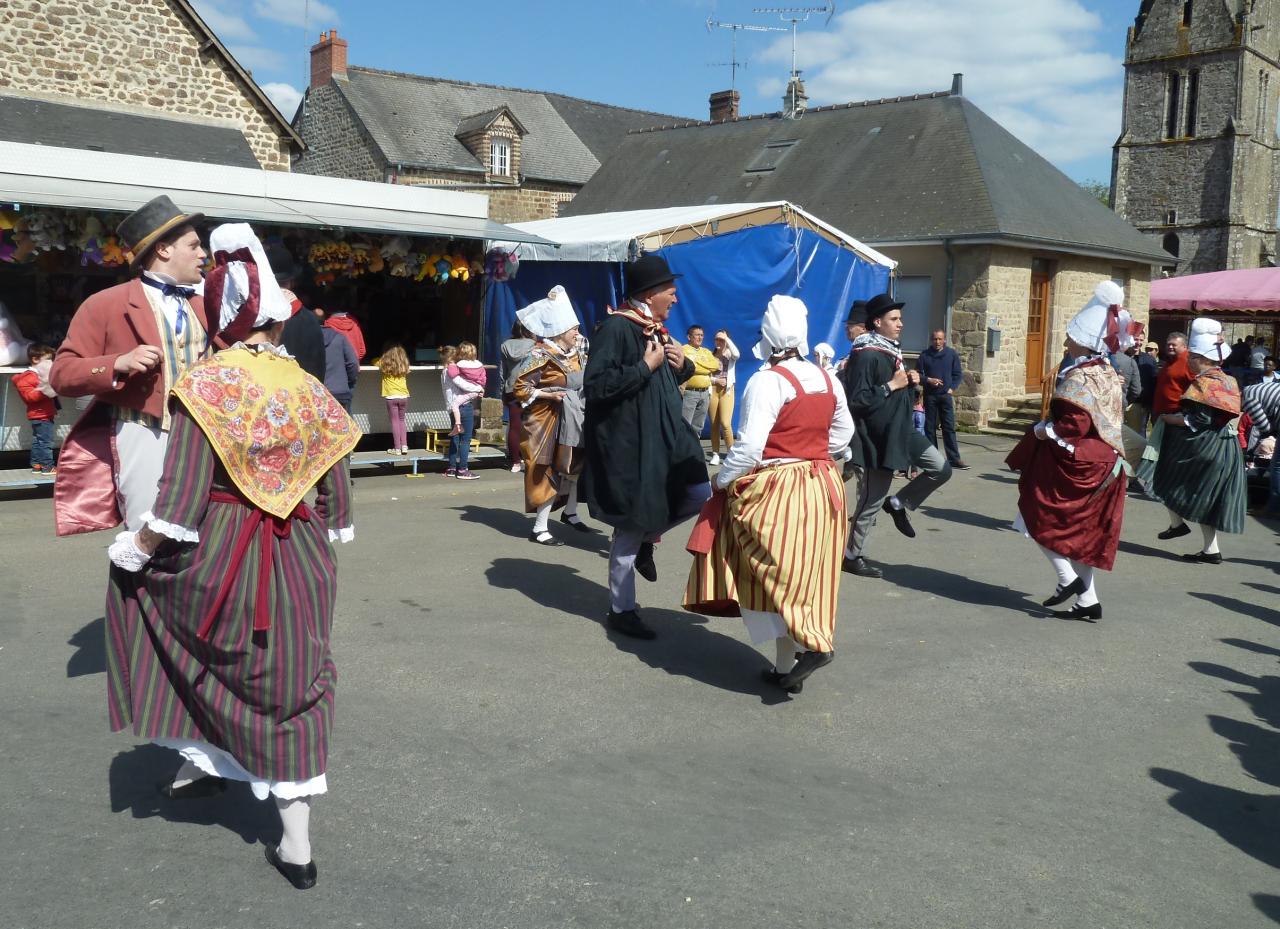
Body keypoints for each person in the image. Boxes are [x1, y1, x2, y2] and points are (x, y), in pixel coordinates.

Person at [102, 224, 358, 890]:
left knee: (191, 644)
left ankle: (205, 765)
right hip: (300, 554)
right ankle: (292, 843)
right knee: (291, 680)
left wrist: (135, 549)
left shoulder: (207, 385)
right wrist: (321, 535)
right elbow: (336, 496)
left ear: (221, 313)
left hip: (225, 552)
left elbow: (180, 502)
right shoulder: (309, 388)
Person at [684, 295, 854, 692]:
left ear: (767, 336)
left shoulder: (767, 380)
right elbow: (844, 435)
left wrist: (721, 480)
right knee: (807, 574)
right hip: (824, 486)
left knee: (769, 570)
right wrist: (812, 453)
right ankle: (784, 670)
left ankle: (812, 643)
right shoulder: (828, 378)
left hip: (780, 488)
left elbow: (748, 448)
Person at [51, 194, 212, 534]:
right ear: (164, 250)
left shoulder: (206, 305)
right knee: (148, 534)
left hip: (207, 438)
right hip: (144, 433)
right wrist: (117, 363)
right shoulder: (106, 304)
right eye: (194, 246)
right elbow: (62, 375)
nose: (204, 254)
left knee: (205, 533)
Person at [582, 253, 711, 640]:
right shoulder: (617, 329)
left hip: (667, 440)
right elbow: (596, 386)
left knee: (699, 493)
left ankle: (645, 541)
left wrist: (679, 365)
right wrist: (645, 367)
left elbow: (666, 380)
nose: (675, 300)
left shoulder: (656, 330)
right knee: (630, 524)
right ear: (651, 293)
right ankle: (622, 609)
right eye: (670, 293)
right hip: (631, 447)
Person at [1005, 286, 1131, 622]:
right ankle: (1087, 600)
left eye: (1070, 338)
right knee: (1083, 536)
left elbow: (1073, 425)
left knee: (1034, 516)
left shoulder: (1080, 375)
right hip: (1108, 463)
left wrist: (1044, 430)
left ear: (1083, 341)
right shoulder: (1108, 372)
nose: (1066, 343)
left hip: (1080, 463)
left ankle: (1068, 580)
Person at [841, 293, 953, 579]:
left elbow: (896, 387)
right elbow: (858, 400)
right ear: (876, 323)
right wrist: (892, 385)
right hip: (878, 437)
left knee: (941, 469)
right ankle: (851, 556)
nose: (901, 324)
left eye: (900, 318)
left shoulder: (890, 349)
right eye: (894, 319)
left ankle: (900, 502)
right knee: (871, 501)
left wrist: (913, 381)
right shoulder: (865, 354)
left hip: (902, 429)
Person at [1143, 318, 1247, 562]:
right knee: (1206, 497)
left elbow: (1198, 420)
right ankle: (1211, 549)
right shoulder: (1227, 379)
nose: (1188, 360)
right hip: (1225, 446)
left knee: (1164, 476)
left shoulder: (1205, 382)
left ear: (1201, 358)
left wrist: (1171, 419)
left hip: (1205, 447)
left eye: (1192, 357)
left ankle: (1178, 524)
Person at [512, 285, 592, 544]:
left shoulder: (574, 353)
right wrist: (549, 395)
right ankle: (539, 527)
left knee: (571, 466)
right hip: (543, 420)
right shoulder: (539, 354)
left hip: (569, 416)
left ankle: (569, 512)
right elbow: (520, 388)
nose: (577, 333)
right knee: (545, 469)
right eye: (574, 329)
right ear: (559, 332)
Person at [267, 243, 325, 382]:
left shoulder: (255, 319)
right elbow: (318, 371)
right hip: (302, 397)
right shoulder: (310, 319)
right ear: (292, 282)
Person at [916, 328, 969, 469]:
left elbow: (958, 374)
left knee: (948, 427)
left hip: (945, 396)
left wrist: (951, 388)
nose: (937, 342)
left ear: (944, 340)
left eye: (940, 339)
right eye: (935, 339)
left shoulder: (951, 354)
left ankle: (954, 459)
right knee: (930, 427)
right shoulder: (924, 355)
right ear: (931, 340)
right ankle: (934, 459)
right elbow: (917, 376)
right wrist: (928, 380)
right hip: (930, 395)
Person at [439, 345, 482, 480]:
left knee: (455, 438)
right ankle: (463, 469)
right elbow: (463, 384)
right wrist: (478, 388)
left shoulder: (443, 372)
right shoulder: (453, 372)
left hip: (452, 409)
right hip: (463, 406)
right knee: (465, 439)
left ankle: (452, 467)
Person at [13, 342, 58, 473]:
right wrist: (47, 388)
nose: (51, 363)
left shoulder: (39, 376)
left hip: (42, 414)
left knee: (38, 440)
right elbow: (30, 397)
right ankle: (47, 467)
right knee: (45, 442)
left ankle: (37, 464)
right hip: (40, 415)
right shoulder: (28, 377)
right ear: (35, 359)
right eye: (48, 360)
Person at [1242, 367, 1280, 516]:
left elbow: (1265, 427)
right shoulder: (1255, 388)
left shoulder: (1247, 399)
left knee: (1277, 466)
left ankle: (1273, 509)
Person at [500, 320, 536, 473]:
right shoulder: (535, 345)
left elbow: (503, 370)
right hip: (530, 388)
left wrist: (503, 389)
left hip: (511, 388)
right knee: (533, 426)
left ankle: (515, 461)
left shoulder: (505, 345)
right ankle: (531, 459)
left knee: (514, 426)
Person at [680, 324, 720, 435]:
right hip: (689, 393)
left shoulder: (706, 351)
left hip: (705, 394)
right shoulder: (684, 350)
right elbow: (691, 368)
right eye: (697, 335)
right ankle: (683, 452)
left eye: (702, 335)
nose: (700, 338)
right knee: (685, 425)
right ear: (689, 337)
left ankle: (695, 451)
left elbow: (715, 366)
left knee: (698, 427)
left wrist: (697, 363)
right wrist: (706, 367)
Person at [707, 328, 739, 466]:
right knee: (714, 424)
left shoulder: (730, 354)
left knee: (725, 423)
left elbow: (737, 354)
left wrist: (727, 339)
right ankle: (715, 454)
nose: (718, 341)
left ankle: (731, 453)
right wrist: (715, 381)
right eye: (716, 339)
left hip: (727, 391)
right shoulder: (710, 355)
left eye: (721, 339)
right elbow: (706, 374)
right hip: (713, 390)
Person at [447, 341, 487, 435]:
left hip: (469, 392)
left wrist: (450, 365)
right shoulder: (479, 365)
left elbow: (453, 374)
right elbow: (484, 378)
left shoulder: (460, 365)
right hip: (476, 391)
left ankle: (458, 425)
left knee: (455, 405)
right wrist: (481, 388)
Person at [377, 344, 411, 455]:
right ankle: (404, 446)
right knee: (402, 421)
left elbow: (374, 361)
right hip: (404, 396)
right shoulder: (404, 366)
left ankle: (397, 448)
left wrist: (382, 357)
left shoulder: (383, 365)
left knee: (395, 422)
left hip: (391, 397)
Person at [1151, 331, 1193, 416]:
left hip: (1176, 413)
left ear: (1184, 346)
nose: (1170, 347)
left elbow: (1195, 386)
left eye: (1174, 345)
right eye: (1168, 344)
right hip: (1162, 412)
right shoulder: (1170, 361)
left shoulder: (1189, 362)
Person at [321, 325, 358, 413]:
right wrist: (349, 382)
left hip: (319, 391)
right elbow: (352, 362)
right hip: (340, 390)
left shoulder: (308, 339)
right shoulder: (340, 338)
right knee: (344, 424)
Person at [322, 296, 366, 362]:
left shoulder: (328, 324)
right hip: (354, 366)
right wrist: (354, 361)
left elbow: (326, 350)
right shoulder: (355, 323)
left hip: (336, 366)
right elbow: (362, 350)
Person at [1130, 339, 1160, 435]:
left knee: (1148, 427)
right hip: (1139, 400)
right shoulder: (1139, 360)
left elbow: (1155, 381)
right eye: (1147, 349)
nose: (1149, 351)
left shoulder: (1156, 362)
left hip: (1148, 401)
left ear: (1157, 351)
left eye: (1151, 349)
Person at [835, 300, 867, 373]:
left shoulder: (867, 355)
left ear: (863, 328)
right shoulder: (854, 353)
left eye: (850, 324)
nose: (846, 327)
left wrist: (842, 371)